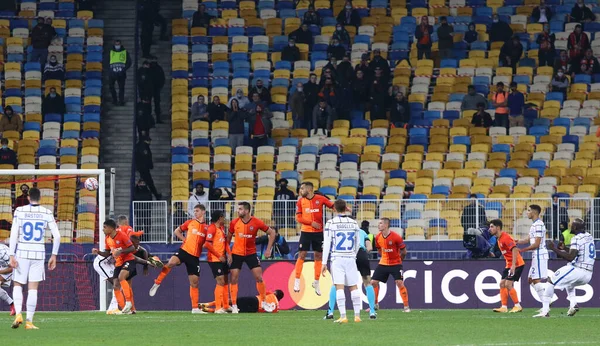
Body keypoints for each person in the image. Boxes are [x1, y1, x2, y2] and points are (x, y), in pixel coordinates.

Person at [9, 188, 60, 329]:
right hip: (38, 254)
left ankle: (18, 313)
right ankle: (29, 321)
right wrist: (54, 255)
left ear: (28, 197)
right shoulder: (47, 212)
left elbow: (14, 233)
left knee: (18, 284)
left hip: (22, 253)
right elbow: (57, 236)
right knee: (33, 289)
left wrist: (11, 254)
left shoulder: (19, 211)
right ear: (40, 198)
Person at [149, 204, 208, 313]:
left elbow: (208, 242)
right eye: (194, 211)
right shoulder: (190, 223)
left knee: (194, 282)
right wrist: (184, 239)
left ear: (203, 212)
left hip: (195, 256)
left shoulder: (207, 228)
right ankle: (157, 282)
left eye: (197, 211)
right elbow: (177, 231)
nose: (195, 213)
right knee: (171, 262)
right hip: (184, 251)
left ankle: (195, 308)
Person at [325, 207, 376, 320]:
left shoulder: (340, 229)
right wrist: (365, 252)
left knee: (337, 284)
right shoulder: (361, 231)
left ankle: (330, 312)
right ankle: (372, 311)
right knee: (367, 282)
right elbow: (369, 246)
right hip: (361, 254)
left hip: (346, 254)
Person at [538, 218, 594, 317]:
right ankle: (573, 304)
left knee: (550, 281)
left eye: (572, 225)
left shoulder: (576, 238)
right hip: (588, 274)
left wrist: (553, 248)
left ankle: (545, 311)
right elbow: (577, 252)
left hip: (578, 270)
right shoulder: (589, 236)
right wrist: (564, 248)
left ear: (575, 227)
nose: (570, 226)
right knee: (570, 284)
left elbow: (570, 257)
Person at [227, 202, 276, 313]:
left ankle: (263, 302)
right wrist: (228, 253)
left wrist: (268, 249)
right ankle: (234, 305)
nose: (238, 211)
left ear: (247, 211)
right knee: (233, 279)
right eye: (238, 209)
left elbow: (272, 233)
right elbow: (228, 238)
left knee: (259, 277)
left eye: (240, 209)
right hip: (236, 254)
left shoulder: (256, 222)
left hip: (251, 254)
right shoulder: (234, 222)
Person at [320, 199, 363, 323]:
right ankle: (357, 316)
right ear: (346, 208)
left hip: (337, 258)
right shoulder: (354, 223)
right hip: (350, 257)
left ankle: (343, 316)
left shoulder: (331, 223)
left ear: (334, 209)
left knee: (339, 287)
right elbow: (358, 243)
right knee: (353, 287)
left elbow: (327, 244)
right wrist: (352, 255)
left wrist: (324, 262)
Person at [293, 182, 335, 295]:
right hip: (305, 232)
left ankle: (316, 282)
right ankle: (297, 280)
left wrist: (344, 208)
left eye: (302, 188)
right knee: (302, 254)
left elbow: (333, 206)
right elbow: (298, 217)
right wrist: (311, 223)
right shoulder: (300, 201)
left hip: (318, 233)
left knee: (318, 256)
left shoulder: (320, 199)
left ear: (309, 189)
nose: (300, 191)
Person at [92, 220, 135, 315]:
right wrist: (98, 252)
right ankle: (123, 308)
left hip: (126, 260)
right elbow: (107, 253)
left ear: (111, 228)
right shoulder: (107, 238)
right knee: (116, 284)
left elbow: (132, 248)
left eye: (104, 227)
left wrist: (121, 251)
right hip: (114, 263)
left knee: (120, 280)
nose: (102, 229)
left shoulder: (122, 235)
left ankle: (126, 304)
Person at [371, 218, 410, 312]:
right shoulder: (377, 237)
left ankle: (406, 307)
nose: (378, 225)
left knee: (399, 283)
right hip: (383, 263)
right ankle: (375, 304)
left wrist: (400, 260)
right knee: (373, 282)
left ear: (386, 225)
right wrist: (384, 256)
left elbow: (404, 251)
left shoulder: (396, 237)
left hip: (396, 263)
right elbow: (379, 249)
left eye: (380, 223)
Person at [487, 219, 525, 313]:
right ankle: (504, 307)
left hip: (516, 264)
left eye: (492, 227)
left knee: (508, 284)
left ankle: (517, 305)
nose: (489, 229)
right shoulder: (499, 239)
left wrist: (513, 265)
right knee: (502, 284)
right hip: (509, 264)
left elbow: (515, 249)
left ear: (498, 227)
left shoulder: (505, 237)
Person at [517, 204, 548, 311]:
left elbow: (537, 244)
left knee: (535, 279)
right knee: (530, 280)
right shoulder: (534, 225)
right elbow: (527, 240)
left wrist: (522, 250)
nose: (527, 212)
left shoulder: (539, 225)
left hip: (540, 254)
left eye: (529, 210)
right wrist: (515, 241)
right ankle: (546, 301)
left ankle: (546, 303)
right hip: (536, 255)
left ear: (534, 213)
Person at [203, 210, 232, 314]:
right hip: (214, 259)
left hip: (222, 258)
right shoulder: (211, 228)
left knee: (225, 281)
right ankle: (218, 308)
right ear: (219, 218)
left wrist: (229, 253)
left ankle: (226, 306)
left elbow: (225, 243)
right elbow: (207, 244)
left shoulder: (222, 228)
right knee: (220, 281)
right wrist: (219, 256)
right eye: (223, 217)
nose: (224, 219)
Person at [200, 290, 284, 313]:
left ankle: (208, 304)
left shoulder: (271, 294)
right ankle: (209, 310)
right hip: (255, 310)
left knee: (232, 302)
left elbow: (262, 292)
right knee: (233, 311)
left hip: (255, 300)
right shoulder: (277, 308)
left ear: (275, 293)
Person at [135, 135, 161, 200]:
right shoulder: (144, 147)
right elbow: (146, 158)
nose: (150, 142)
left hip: (142, 168)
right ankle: (156, 195)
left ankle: (156, 195)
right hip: (144, 168)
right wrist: (150, 165)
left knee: (147, 182)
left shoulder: (139, 145)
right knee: (149, 182)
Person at [108, 40, 132, 106]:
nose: (117, 45)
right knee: (111, 87)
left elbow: (129, 62)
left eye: (118, 44)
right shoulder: (110, 52)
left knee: (121, 88)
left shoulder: (125, 52)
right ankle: (115, 100)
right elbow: (106, 61)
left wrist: (123, 69)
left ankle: (121, 101)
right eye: (116, 44)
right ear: (114, 44)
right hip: (112, 73)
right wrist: (110, 69)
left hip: (121, 73)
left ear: (120, 44)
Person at [0, 243, 15, 316]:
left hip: (12, 267)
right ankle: (12, 304)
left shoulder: (3, 254)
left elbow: (11, 269)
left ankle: (13, 304)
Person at [148, 57, 165, 122]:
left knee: (157, 104)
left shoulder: (159, 68)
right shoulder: (151, 68)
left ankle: (158, 118)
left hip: (156, 89)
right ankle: (150, 119)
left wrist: (160, 86)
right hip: (149, 89)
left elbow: (162, 78)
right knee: (149, 104)